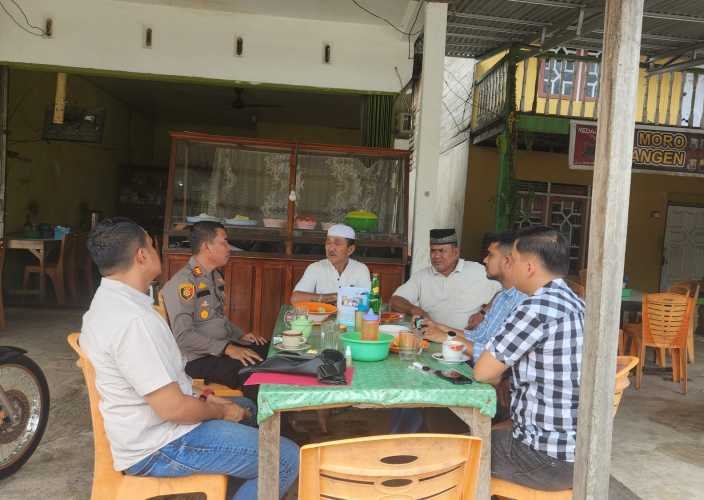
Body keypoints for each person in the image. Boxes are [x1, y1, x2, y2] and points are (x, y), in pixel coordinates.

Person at [80, 217, 299, 499]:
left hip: (152, 426)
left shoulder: (106, 304)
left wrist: (206, 397)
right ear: (142, 255)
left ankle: (241, 482)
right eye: (152, 244)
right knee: (286, 458)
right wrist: (220, 410)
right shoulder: (134, 321)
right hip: (161, 444)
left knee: (251, 408)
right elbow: (173, 409)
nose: (157, 250)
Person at [474, 226, 584, 491]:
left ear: (530, 267)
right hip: (578, 451)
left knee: (457, 446)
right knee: (489, 432)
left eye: (514, 259)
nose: (510, 266)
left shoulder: (536, 307)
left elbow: (483, 372)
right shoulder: (577, 302)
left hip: (544, 457)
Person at [162, 221, 268, 394]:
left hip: (219, 348)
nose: (229, 248)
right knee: (254, 371)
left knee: (270, 351)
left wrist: (241, 336)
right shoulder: (184, 283)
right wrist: (228, 348)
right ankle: (256, 419)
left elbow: (217, 319)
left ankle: (281, 414)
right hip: (198, 358)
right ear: (207, 247)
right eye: (223, 242)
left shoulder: (213, 276)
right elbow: (183, 336)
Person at [422, 231, 526, 364]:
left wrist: (445, 338)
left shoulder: (523, 302)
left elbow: (496, 357)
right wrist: (437, 327)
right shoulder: (502, 296)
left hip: (490, 377)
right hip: (473, 366)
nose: (485, 260)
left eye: (490, 255)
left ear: (507, 261)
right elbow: (477, 336)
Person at [390, 228, 501, 329]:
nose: (436, 256)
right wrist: (415, 310)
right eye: (433, 251)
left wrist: (483, 313)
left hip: (466, 338)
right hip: (431, 336)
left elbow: (506, 292)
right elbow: (395, 300)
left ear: (456, 252)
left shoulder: (478, 271)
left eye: (442, 251)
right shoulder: (422, 276)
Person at [290, 223, 371, 304]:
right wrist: (334, 297)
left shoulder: (361, 269)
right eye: (328, 243)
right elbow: (296, 298)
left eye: (337, 243)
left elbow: (366, 300)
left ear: (350, 249)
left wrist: (337, 298)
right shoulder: (315, 267)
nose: (331, 248)